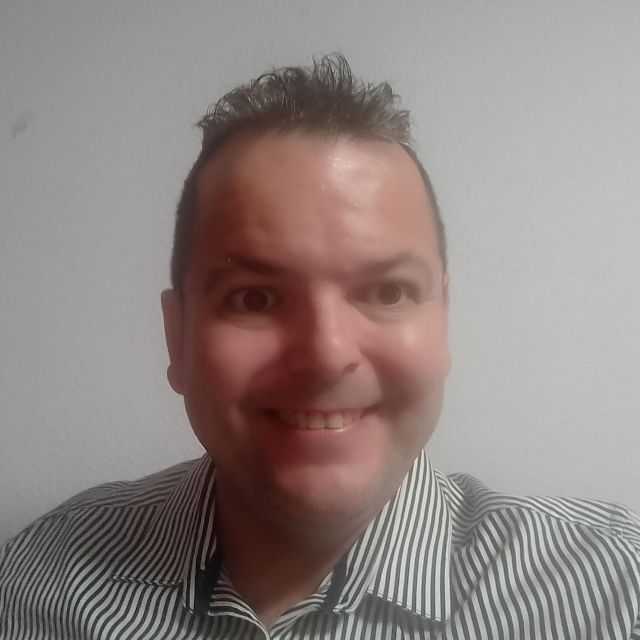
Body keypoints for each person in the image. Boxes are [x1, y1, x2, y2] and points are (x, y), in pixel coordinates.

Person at [1, 54, 639, 640]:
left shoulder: (616, 593)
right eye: (255, 298)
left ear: (443, 321)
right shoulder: (37, 580)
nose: (327, 355)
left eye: (387, 291)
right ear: (178, 336)